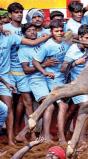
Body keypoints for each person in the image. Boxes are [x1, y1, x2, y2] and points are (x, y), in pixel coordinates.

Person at [16, 23, 57, 142]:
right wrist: (44, 65)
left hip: (47, 78)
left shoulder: (41, 43)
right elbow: (26, 70)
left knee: (50, 106)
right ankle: (44, 136)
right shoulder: (23, 49)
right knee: (49, 106)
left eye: (34, 30)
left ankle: (27, 134)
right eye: (29, 31)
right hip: (35, 80)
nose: (33, 32)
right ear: (24, 34)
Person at [32, 19, 71, 144]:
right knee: (62, 106)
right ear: (51, 32)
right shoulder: (47, 45)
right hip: (52, 79)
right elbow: (35, 61)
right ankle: (60, 137)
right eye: (56, 31)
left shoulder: (66, 41)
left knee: (60, 106)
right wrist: (45, 72)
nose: (59, 33)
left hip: (63, 78)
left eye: (61, 30)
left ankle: (51, 135)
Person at [3, 2, 34, 137]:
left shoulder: (25, 28)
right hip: (8, 71)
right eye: (16, 12)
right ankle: (10, 133)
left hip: (23, 70)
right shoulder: (4, 27)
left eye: (21, 12)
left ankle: (27, 133)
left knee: (26, 100)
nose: (19, 14)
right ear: (10, 14)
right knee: (10, 103)